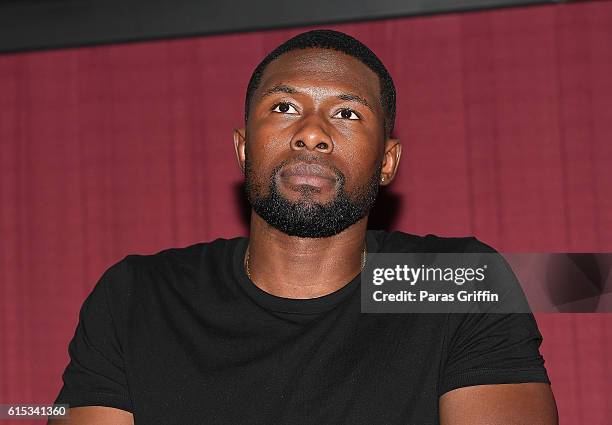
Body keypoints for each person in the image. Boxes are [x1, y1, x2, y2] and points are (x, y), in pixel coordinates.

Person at [49, 29, 558, 424]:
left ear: (388, 161)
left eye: (347, 113)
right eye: (285, 107)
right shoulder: (140, 296)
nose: (311, 132)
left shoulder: (454, 282)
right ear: (244, 148)